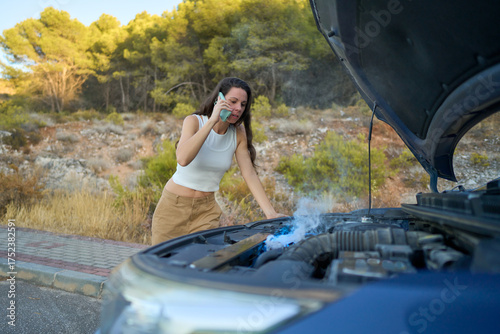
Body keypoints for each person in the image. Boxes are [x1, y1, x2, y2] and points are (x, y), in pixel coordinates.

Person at [151, 77, 285, 245]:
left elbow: (249, 173)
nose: (238, 108)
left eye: (243, 104)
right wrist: (213, 120)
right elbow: (183, 158)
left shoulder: (238, 133)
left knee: (201, 264)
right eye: (233, 101)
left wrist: (270, 213)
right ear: (219, 100)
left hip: (206, 212)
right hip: (173, 207)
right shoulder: (194, 122)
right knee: (162, 265)